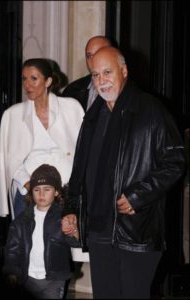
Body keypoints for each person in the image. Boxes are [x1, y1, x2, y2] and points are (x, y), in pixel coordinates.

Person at [62, 47, 186, 299]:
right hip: (98, 231)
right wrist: (71, 209)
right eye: (95, 75)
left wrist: (138, 196)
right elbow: (80, 170)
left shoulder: (150, 109)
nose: (101, 80)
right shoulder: (93, 115)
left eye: (107, 72)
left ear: (124, 70)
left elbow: (175, 160)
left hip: (135, 230)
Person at [0, 58, 84, 219]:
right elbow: (10, 161)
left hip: (65, 195)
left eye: (34, 78)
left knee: (64, 243)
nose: (27, 84)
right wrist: (32, 187)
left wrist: (66, 190)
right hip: (28, 195)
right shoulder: (12, 115)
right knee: (26, 242)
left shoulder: (71, 107)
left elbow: (84, 152)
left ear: (48, 81)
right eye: (24, 79)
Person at [3, 164, 79, 299]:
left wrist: (73, 232)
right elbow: (12, 249)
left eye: (47, 189)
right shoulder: (21, 221)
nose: (41, 194)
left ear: (56, 192)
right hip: (27, 278)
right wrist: (12, 271)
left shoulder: (63, 217)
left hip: (54, 280)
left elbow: (75, 242)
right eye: (37, 189)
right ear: (31, 192)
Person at [62, 35, 117, 111]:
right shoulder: (72, 90)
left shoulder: (124, 90)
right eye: (89, 56)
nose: (93, 60)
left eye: (99, 54)